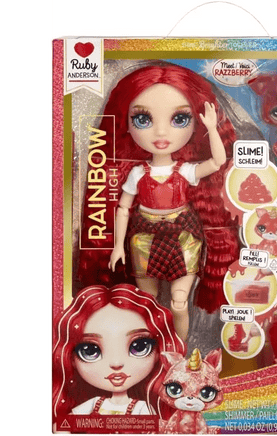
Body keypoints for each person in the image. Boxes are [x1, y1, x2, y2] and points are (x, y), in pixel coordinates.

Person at [80, 64, 239, 339]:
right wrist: (117, 247)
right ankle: (152, 347)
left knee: (179, 302)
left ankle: (179, 349)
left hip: (183, 234)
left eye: (180, 119)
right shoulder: (137, 173)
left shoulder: (185, 171)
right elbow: (122, 209)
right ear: (126, 123)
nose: (161, 133)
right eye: (143, 119)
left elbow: (217, 161)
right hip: (145, 235)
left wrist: (212, 128)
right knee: (146, 303)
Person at [52, 284, 186, 419]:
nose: (116, 363)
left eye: (139, 346)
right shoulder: (94, 403)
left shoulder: (140, 407)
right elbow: (64, 423)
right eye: (90, 351)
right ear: (70, 358)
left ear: (158, 352)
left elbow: (153, 427)